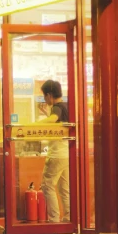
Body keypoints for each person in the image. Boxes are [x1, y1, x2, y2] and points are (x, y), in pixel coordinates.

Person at [37, 79, 70, 223]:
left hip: (56, 154)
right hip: (67, 154)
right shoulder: (66, 106)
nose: (45, 99)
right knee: (64, 189)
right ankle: (69, 218)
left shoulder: (57, 107)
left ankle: (54, 221)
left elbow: (53, 120)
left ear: (49, 95)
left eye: (44, 96)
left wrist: (32, 125)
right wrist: (46, 113)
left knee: (47, 185)